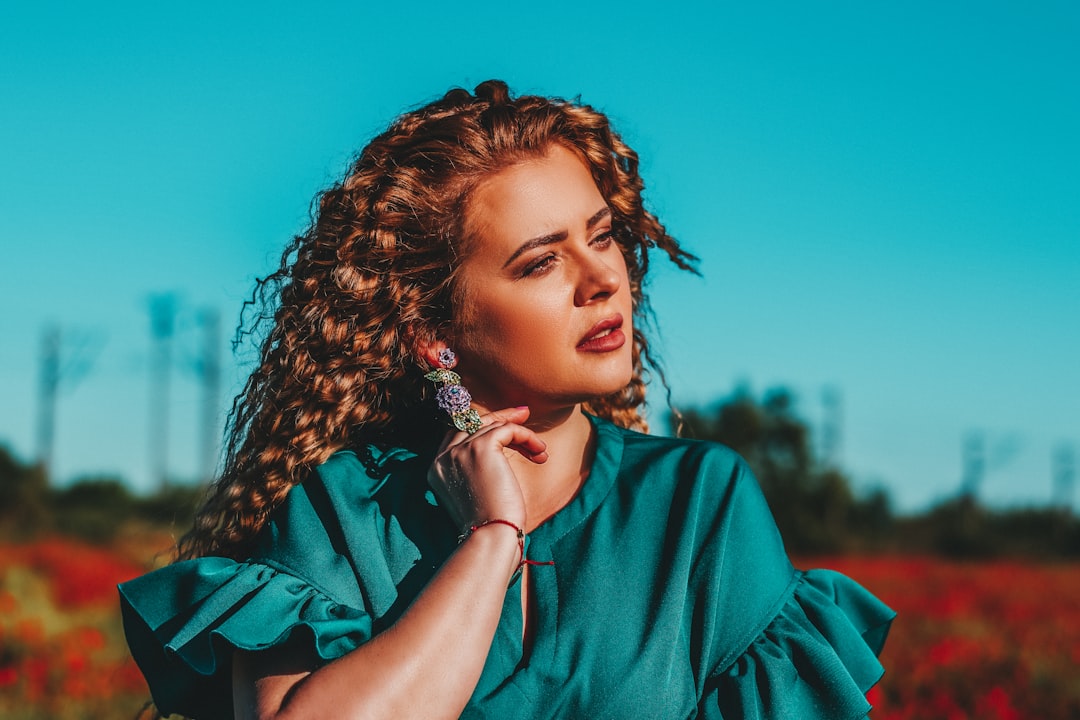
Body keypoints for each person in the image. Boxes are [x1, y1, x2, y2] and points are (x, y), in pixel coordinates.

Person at [119, 80, 894, 720]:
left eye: (600, 236)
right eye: (540, 263)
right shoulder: (343, 511)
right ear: (434, 336)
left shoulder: (699, 504)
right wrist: (490, 539)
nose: (603, 280)